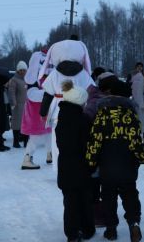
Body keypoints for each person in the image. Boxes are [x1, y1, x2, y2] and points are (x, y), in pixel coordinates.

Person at [86, 73, 144, 242]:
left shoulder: (102, 114)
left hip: (107, 164)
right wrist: (142, 157)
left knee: (108, 196)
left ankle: (111, 229)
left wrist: (90, 162)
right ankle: (134, 224)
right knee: (130, 194)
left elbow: (95, 141)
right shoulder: (130, 116)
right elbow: (136, 140)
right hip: (127, 164)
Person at [39, 38, 95, 169]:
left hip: (58, 111)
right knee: (78, 139)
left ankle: (59, 169)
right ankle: (76, 167)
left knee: (58, 140)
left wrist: (43, 112)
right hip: (79, 110)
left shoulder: (54, 74)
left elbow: (47, 94)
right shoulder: (83, 74)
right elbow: (92, 93)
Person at [56, 80, 95, 242]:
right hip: (82, 166)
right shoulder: (83, 120)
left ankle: (72, 233)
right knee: (85, 199)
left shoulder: (62, 118)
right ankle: (86, 229)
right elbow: (88, 144)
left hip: (65, 167)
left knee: (70, 201)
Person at [21, 51, 53, 169]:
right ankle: (27, 158)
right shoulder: (32, 79)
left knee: (50, 134)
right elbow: (32, 95)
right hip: (36, 115)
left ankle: (50, 154)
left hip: (45, 114)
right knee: (35, 138)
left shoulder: (45, 78)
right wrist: (49, 93)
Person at [7, 61, 29, 148]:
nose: (23, 72)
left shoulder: (26, 79)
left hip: (26, 105)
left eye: (25, 70)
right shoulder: (14, 80)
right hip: (17, 106)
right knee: (17, 124)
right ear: (18, 70)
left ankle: (26, 142)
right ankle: (15, 142)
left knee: (26, 124)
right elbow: (11, 92)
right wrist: (13, 103)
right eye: (21, 70)